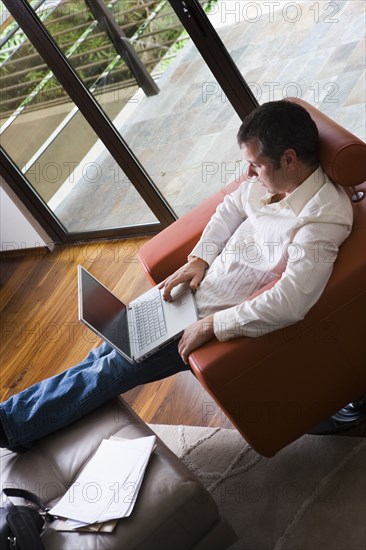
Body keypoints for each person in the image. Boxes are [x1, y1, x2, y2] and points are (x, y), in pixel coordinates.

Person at [0, 100, 353, 452]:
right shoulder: (268, 182)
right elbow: (230, 208)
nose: (248, 174)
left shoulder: (320, 218)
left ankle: (10, 426)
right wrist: (199, 258)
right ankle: (25, 421)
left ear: (289, 159)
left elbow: (292, 301)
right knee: (106, 349)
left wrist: (210, 326)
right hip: (193, 293)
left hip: (209, 317)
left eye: (255, 165)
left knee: (112, 370)